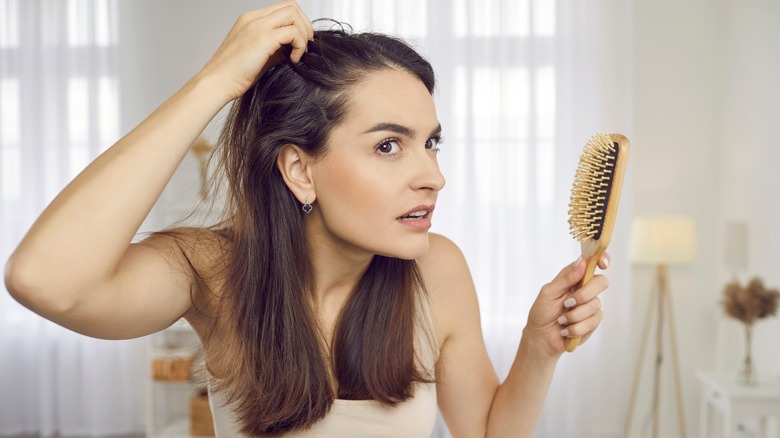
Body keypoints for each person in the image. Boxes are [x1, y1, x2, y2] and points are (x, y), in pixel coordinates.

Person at [4, 1, 610, 436]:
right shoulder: (213, 270)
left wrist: (537, 347)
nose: (433, 175)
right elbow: (44, 279)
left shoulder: (437, 269)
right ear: (299, 169)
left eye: (432, 143)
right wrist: (215, 82)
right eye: (388, 145)